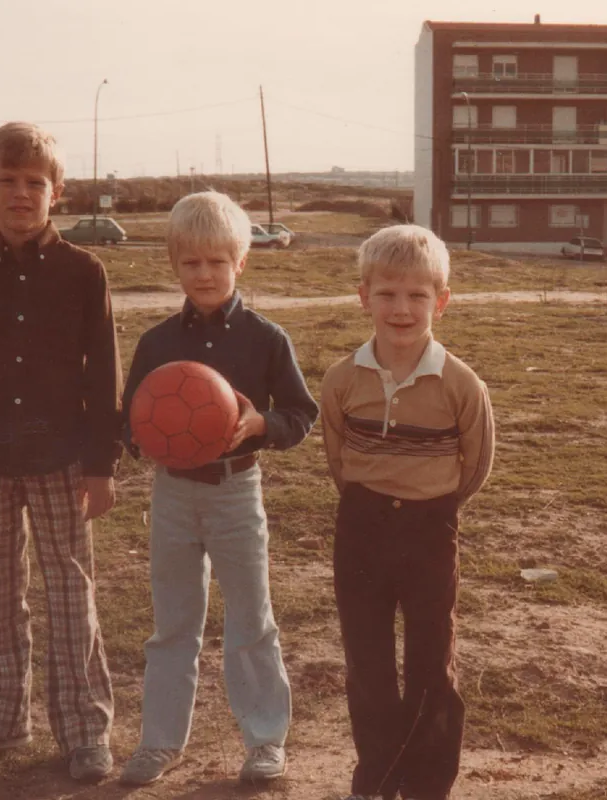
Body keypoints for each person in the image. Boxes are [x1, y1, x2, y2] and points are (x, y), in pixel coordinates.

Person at [0, 122, 121, 782]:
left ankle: (85, 730)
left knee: (71, 593)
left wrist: (101, 466)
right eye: (7, 181)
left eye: (34, 183)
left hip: (62, 459)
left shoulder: (83, 273)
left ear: (57, 193)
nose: (20, 193)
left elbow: (104, 379)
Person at [117, 191, 318, 786]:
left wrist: (261, 426)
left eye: (217, 262)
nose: (204, 275)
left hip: (236, 492)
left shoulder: (265, 338)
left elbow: (301, 414)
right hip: (173, 495)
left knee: (251, 618)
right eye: (191, 263)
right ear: (175, 264)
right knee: (173, 622)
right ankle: (159, 743)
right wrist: (139, 439)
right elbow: (128, 417)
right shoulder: (156, 343)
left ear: (241, 262)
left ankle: (263, 741)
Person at [320, 224, 495, 800]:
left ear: (440, 303)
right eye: (387, 293)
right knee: (367, 668)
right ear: (363, 296)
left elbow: (475, 466)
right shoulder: (342, 380)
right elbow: (338, 458)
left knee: (429, 670)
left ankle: (426, 786)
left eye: (417, 295)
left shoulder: (461, 384)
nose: (401, 308)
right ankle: (377, 780)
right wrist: (377, 502)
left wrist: (429, 503)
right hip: (362, 531)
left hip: (429, 530)